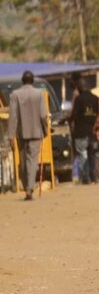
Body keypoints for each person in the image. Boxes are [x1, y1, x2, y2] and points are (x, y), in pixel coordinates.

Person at [7, 71, 47, 200]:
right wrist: (45, 130)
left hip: (21, 133)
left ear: (22, 80)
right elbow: (43, 115)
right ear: (33, 80)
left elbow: (13, 117)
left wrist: (11, 136)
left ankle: (27, 188)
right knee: (32, 161)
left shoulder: (15, 95)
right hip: (36, 132)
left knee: (23, 162)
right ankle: (29, 188)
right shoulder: (39, 94)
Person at [61, 77, 99, 184]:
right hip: (93, 133)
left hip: (81, 132)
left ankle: (85, 178)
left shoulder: (79, 99)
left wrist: (65, 120)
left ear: (79, 87)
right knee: (92, 155)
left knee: (82, 154)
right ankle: (93, 177)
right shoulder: (95, 99)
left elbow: (74, 115)